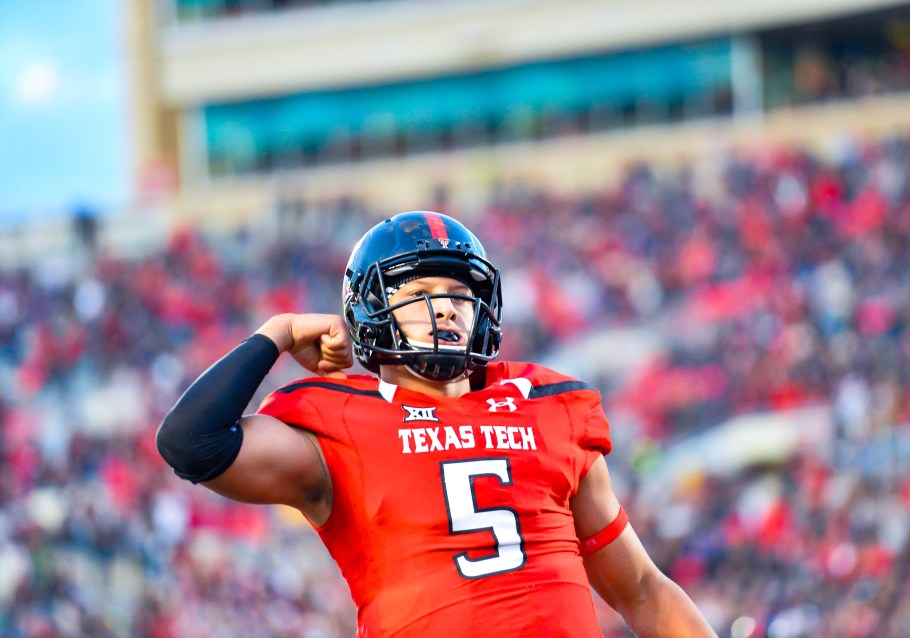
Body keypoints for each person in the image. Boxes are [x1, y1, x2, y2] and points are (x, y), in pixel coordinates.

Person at [156, 211, 716, 637]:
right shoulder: (338, 421)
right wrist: (277, 332)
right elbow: (191, 442)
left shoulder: (546, 404)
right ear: (371, 308)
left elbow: (641, 587)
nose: (447, 308)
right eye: (421, 293)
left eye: (459, 293)